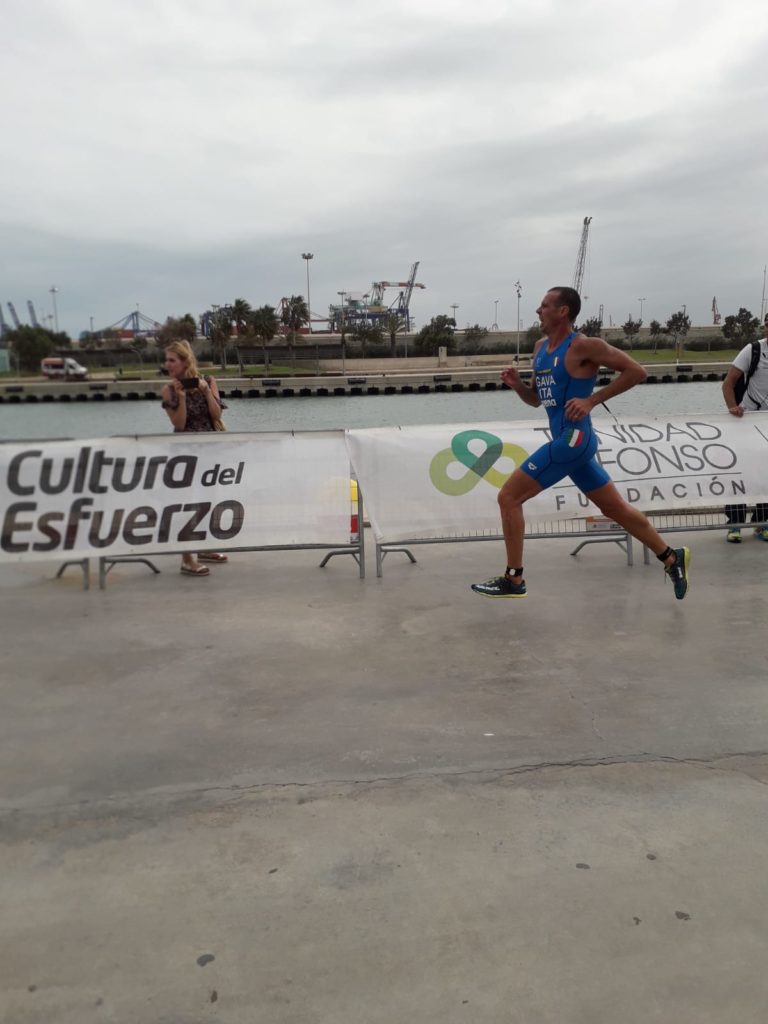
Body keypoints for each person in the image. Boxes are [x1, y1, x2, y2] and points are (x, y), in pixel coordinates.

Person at [471, 286, 691, 600]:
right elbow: (536, 400)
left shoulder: (585, 346)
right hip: (568, 441)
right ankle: (671, 557)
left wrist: (592, 400)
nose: (538, 311)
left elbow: (637, 371)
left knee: (508, 497)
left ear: (563, 311)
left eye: (544, 305)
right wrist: (518, 385)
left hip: (575, 439)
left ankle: (514, 579)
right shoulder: (540, 348)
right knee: (615, 508)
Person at [160, 340, 230, 577]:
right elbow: (179, 424)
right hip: (185, 452)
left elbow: (216, 413)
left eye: (172, 360)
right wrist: (180, 398)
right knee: (187, 502)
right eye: (167, 360)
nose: (167, 365)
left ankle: (205, 547)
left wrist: (205, 391)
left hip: (209, 450)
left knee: (209, 500)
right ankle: (186, 557)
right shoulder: (168, 391)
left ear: (185, 362)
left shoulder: (208, 381)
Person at [721, 316, 768, 543]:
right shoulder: (754, 350)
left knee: (765, 475)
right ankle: (736, 523)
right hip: (747, 422)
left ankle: (762, 522)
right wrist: (732, 407)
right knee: (741, 473)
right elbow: (728, 383)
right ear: (765, 327)